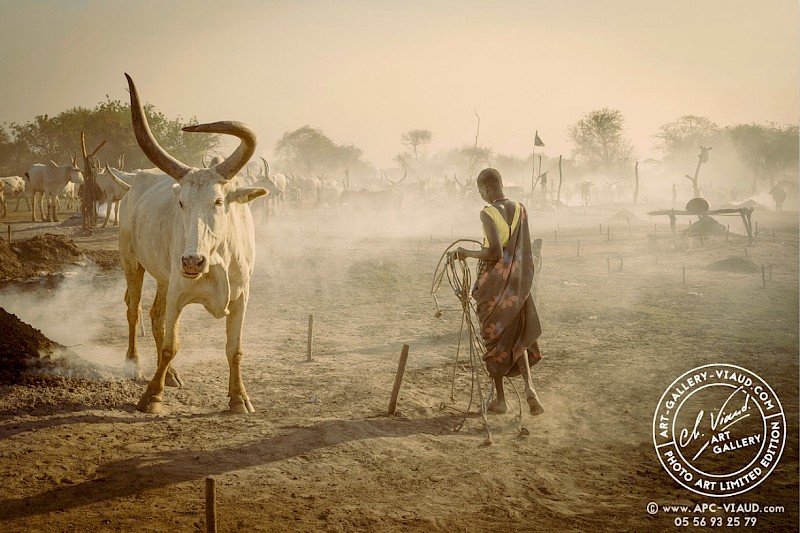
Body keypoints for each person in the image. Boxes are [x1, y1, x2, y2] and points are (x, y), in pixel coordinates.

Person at [456, 168, 545, 416]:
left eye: (480, 191)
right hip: (517, 284)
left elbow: (495, 252)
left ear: (484, 189)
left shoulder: (487, 213)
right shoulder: (521, 208)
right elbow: (519, 249)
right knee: (516, 336)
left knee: (493, 339)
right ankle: (530, 390)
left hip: (493, 284)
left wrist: (467, 253)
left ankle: (501, 400)